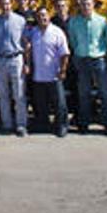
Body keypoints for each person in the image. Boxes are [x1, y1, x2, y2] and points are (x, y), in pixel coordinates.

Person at [67, 0, 107, 134]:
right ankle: (84, 124)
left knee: (104, 93)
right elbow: (72, 40)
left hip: (98, 59)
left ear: (93, 5)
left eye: (88, 4)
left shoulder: (102, 21)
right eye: (83, 4)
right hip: (82, 59)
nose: (85, 7)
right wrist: (78, 51)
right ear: (79, 5)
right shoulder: (74, 21)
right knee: (83, 93)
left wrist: (101, 50)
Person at [25, 7, 70, 137]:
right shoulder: (33, 32)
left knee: (59, 104)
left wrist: (63, 70)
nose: (42, 18)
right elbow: (26, 47)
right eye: (39, 16)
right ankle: (43, 125)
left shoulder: (57, 32)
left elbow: (65, 54)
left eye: (44, 15)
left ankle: (61, 126)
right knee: (40, 104)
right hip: (38, 75)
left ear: (49, 16)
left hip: (54, 75)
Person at [0, 0, 29, 137]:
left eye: (7, 4)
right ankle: (7, 124)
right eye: (3, 4)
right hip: (0, 59)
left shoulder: (20, 20)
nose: (5, 7)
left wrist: (27, 63)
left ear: (11, 4)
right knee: (3, 94)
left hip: (16, 59)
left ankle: (21, 124)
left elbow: (26, 43)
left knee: (19, 94)